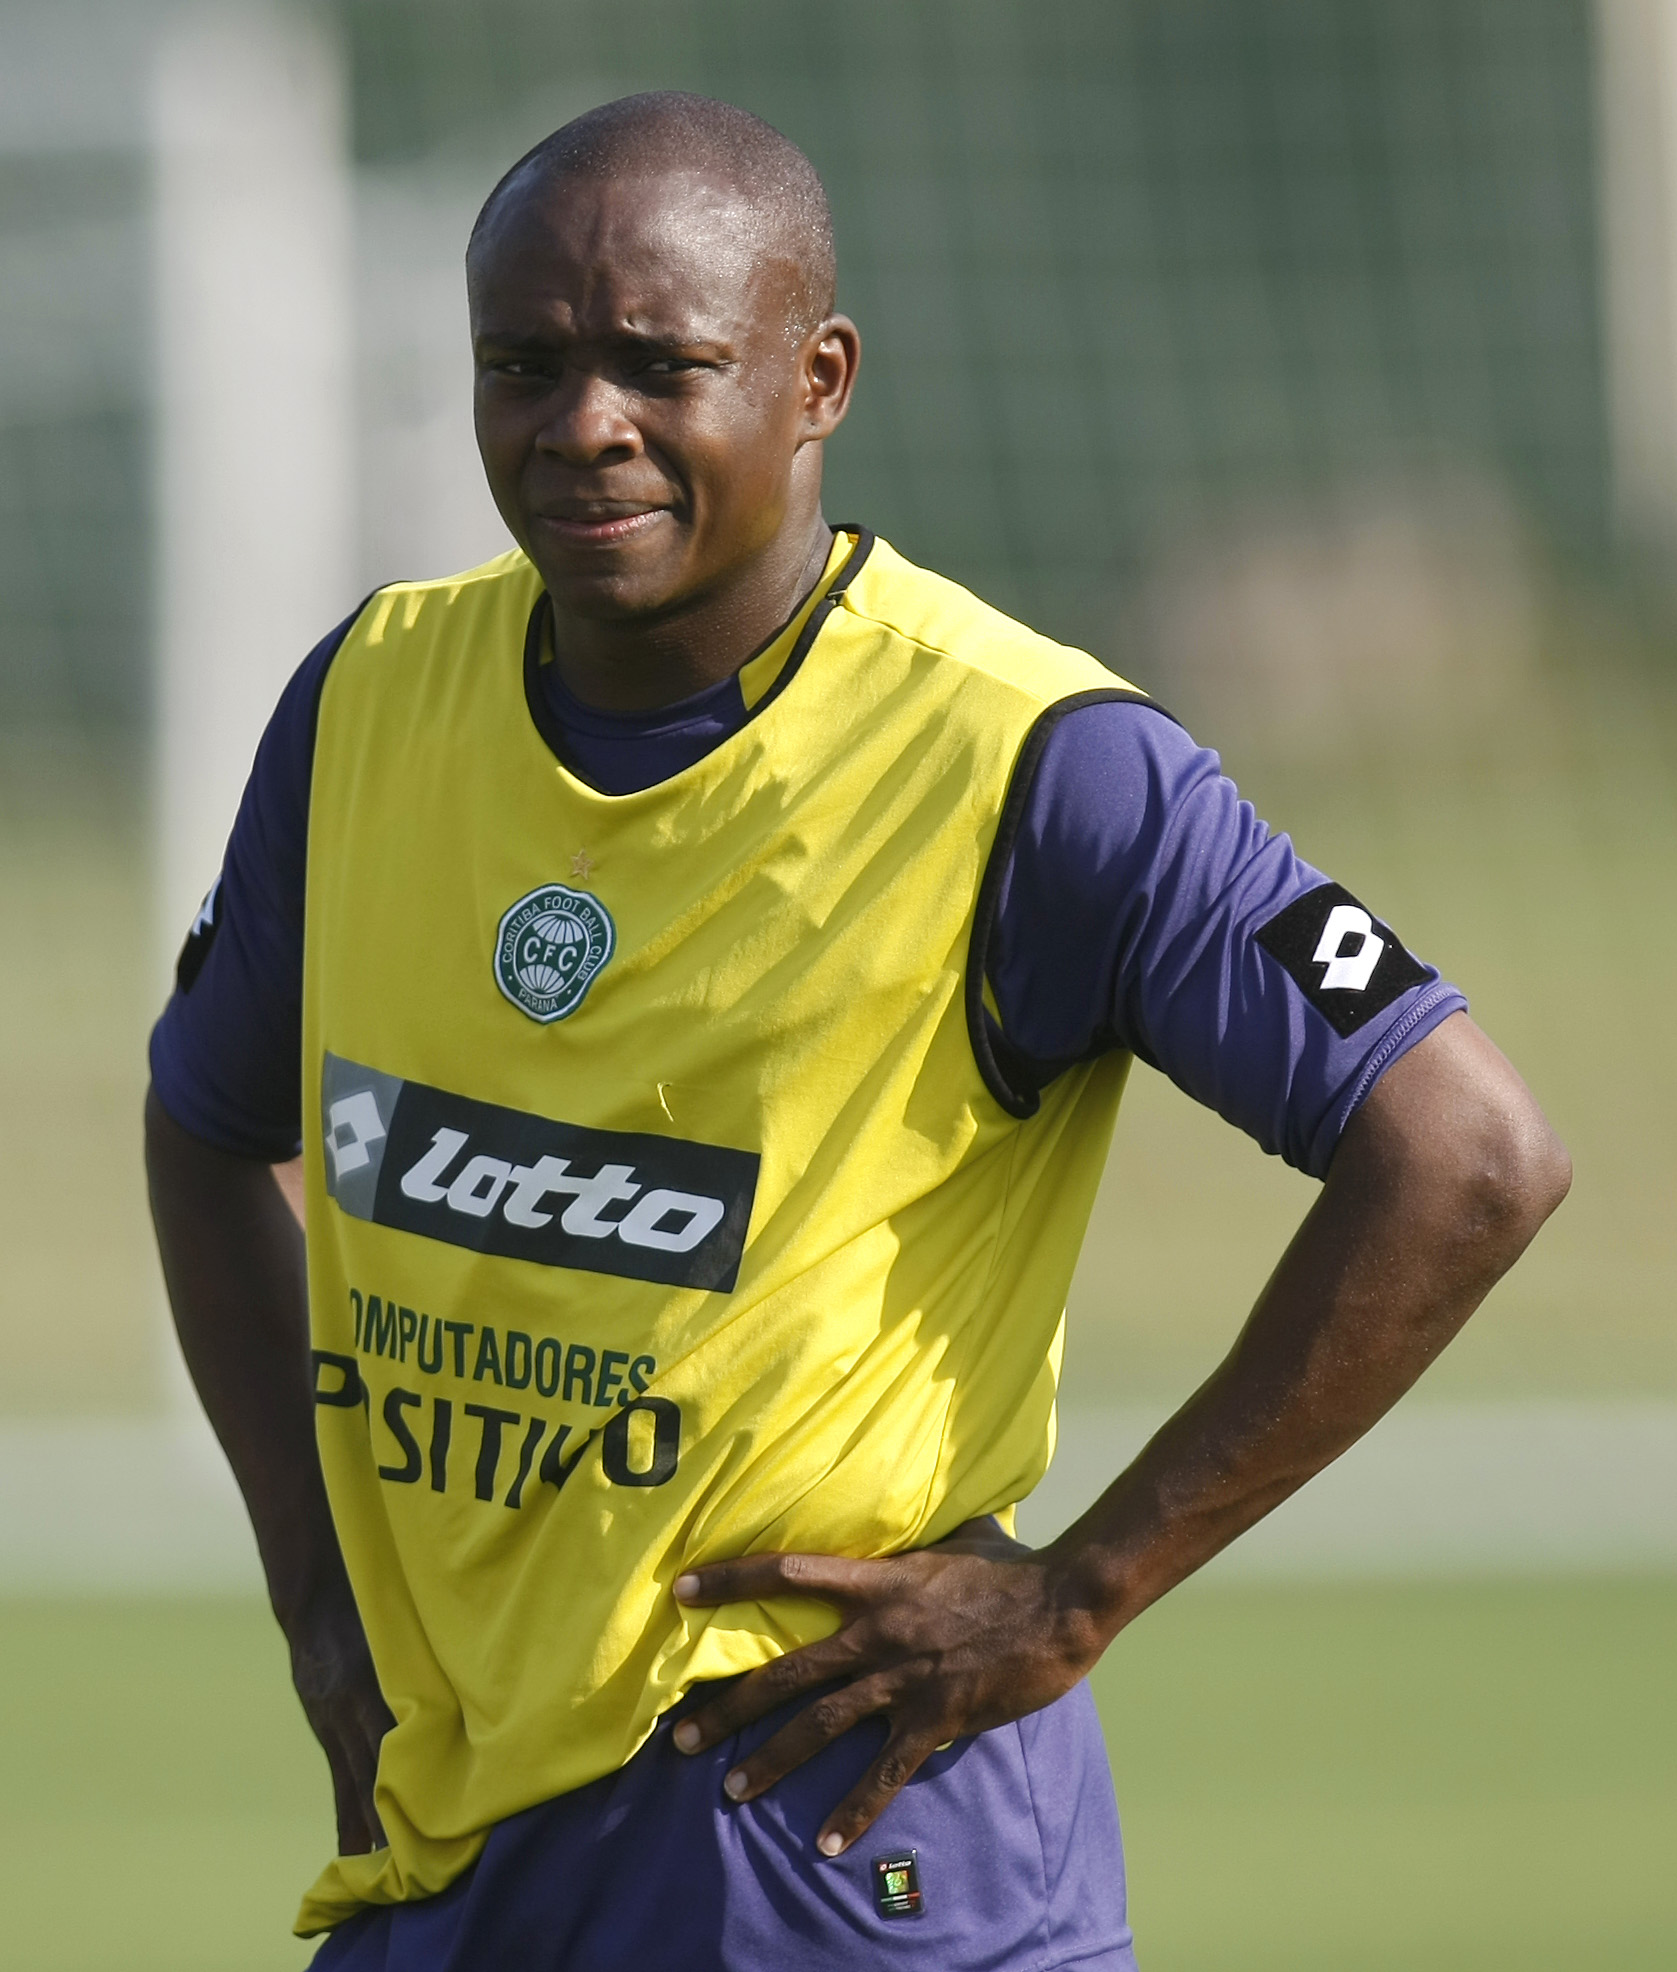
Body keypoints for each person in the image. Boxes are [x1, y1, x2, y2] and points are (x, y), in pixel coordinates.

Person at [143, 89, 1567, 1970]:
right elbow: (204, 1121)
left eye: (660, 366)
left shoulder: (1038, 765)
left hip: (823, 1828)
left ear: (818, 381)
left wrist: (1077, 1597)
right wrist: (316, 1595)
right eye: (525, 366)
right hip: (450, 1827)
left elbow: (1469, 1154)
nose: (584, 424)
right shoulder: (367, 701)